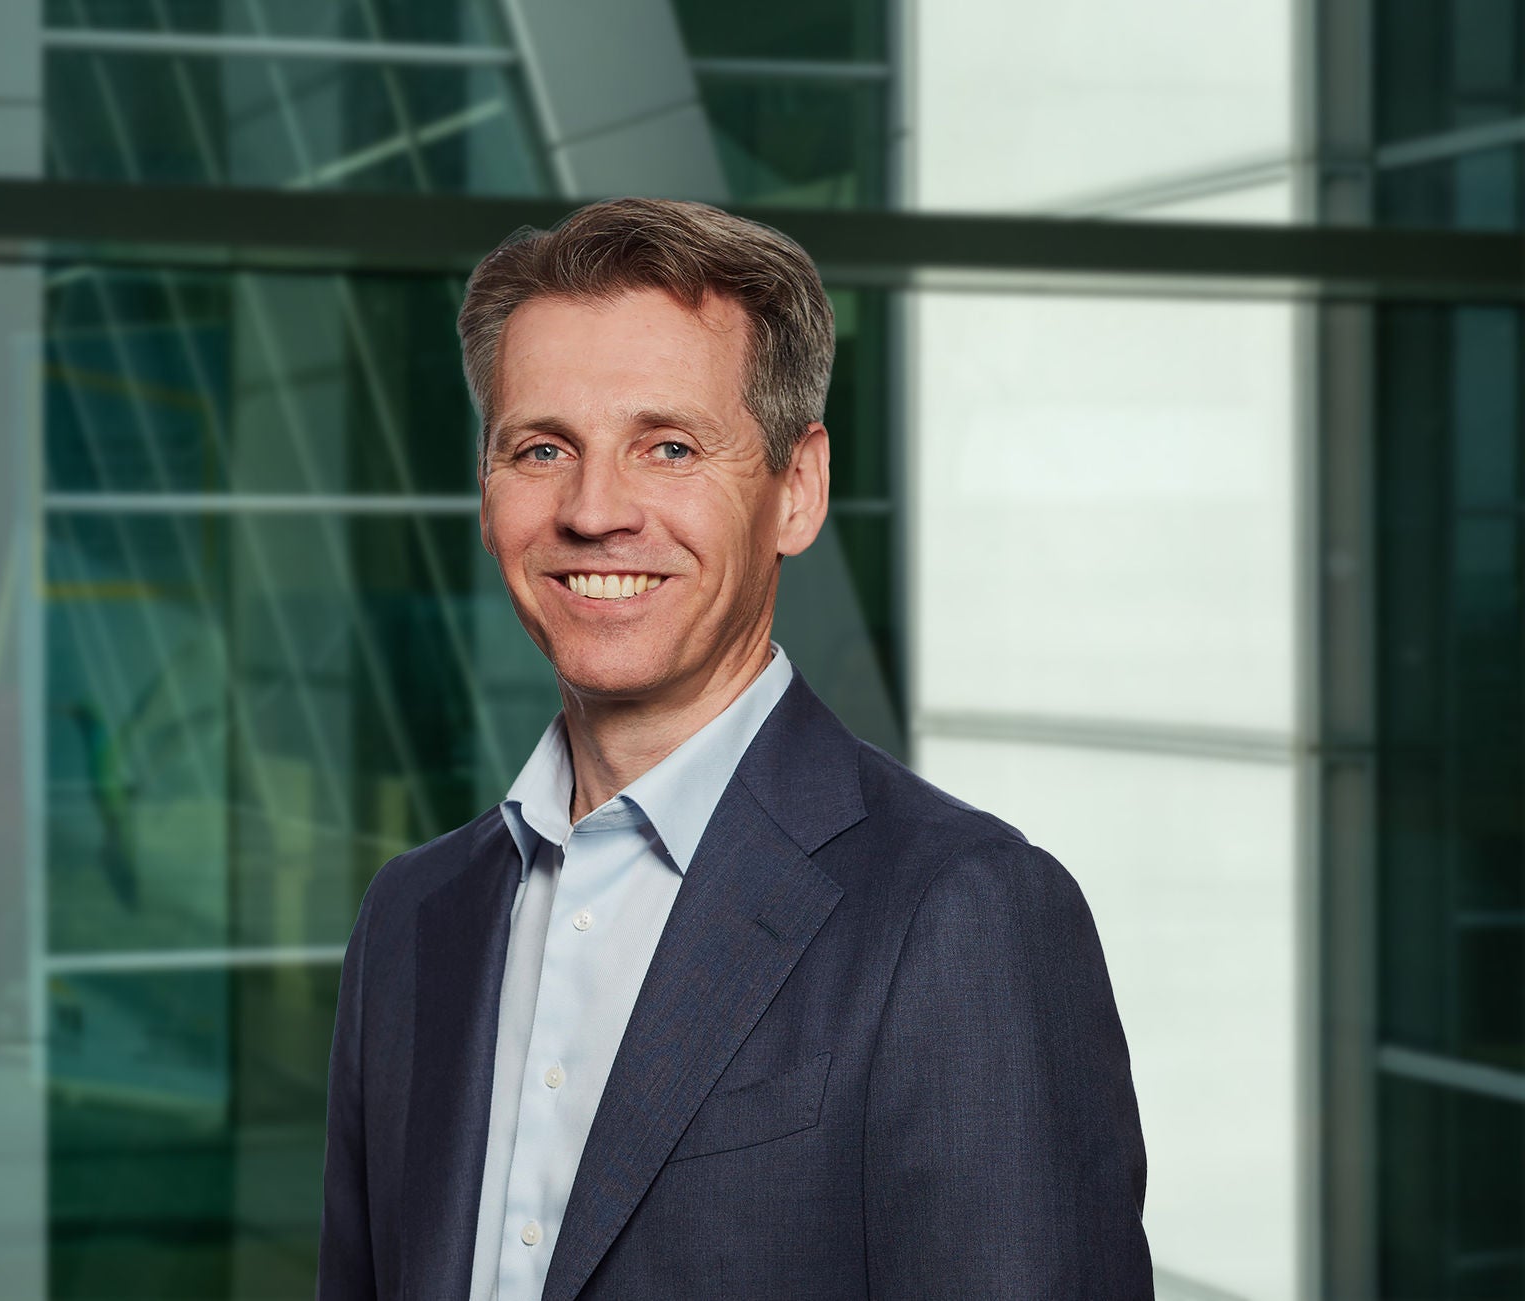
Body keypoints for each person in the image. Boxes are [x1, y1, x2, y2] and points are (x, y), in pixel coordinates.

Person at [316, 198, 1153, 1300]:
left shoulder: (962, 913)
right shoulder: (412, 919)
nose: (593, 510)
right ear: (486, 490)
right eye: (541, 448)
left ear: (795, 491)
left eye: (668, 447)